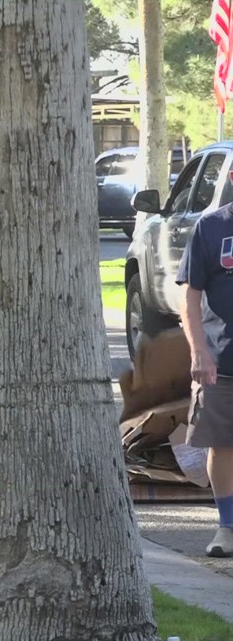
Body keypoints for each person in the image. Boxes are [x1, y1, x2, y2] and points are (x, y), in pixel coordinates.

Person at [177, 198, 233, 557]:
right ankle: (227, 528)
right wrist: (199, 351)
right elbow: (189, 294)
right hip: (222, 361)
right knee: (223, 443)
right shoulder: (211, 226)